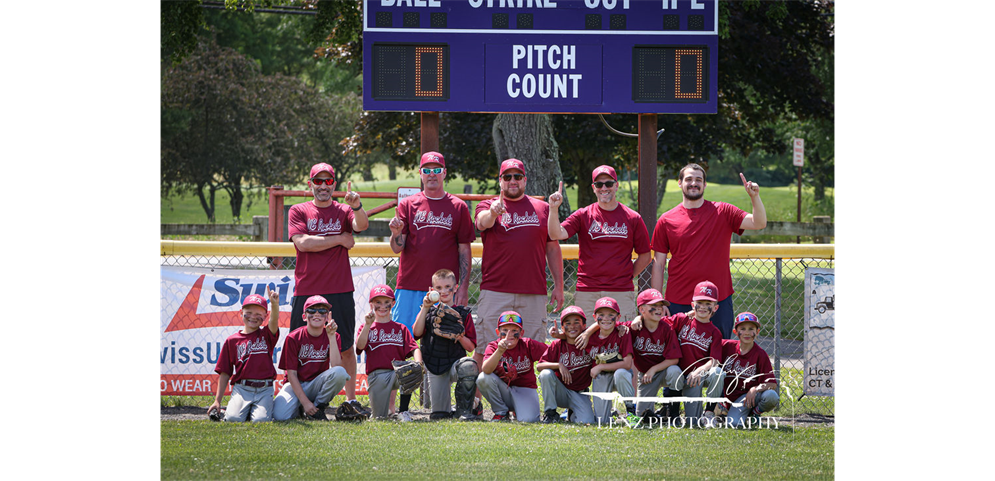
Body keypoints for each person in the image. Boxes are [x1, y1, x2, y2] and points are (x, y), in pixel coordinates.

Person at [388, 151, 475, 417]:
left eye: (437, 169)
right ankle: (395, 408)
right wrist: (394, 233)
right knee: (401, 343)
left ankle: (461, 404)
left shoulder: (458, 206)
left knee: (445, 342)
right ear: (420, 174)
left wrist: (461, 287)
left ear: (445, 173)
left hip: (445, 292)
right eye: (427, 169)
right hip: (410, 285)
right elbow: (396, 248)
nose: (432, 174)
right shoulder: (409, 204)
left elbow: (464, 250)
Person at [287, 162, 369, 413]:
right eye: (318, 181)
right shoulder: (299, 210)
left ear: (334, 183)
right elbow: (303, 243)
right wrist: (340, 240)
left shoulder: (344, 209)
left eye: (328, 181)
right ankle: (301, 401)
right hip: (308, 289)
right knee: (302, 346)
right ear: (310, 183)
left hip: (339, 288)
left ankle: (351, 400)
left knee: (344, 347)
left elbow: (362, 226)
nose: (323, 186)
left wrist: (357, 206)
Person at [650, 164, 767, 339]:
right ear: (680, 183)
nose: (693, 183)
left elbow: (758, 223)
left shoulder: (723, 211)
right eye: (688, 179)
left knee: (718, 355)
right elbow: (658, 264)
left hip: (717, 300)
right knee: (678, 356)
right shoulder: (666, 220)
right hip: (679, 299)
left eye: (698, 179)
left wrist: (754, 197)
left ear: (705, 185)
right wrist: (658, 302)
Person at [474, 159, 564, 369]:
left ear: (525, 180)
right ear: (500, 181)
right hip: (496, 290)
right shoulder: (488, 205)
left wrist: (558, 286)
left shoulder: (542, 208)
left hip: (533, 291)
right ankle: (475, 401)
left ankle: (525, 395)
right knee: (484, 348)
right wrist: (494, 213)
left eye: (517, 177)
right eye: (507, 177)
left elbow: (552, 248)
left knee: (532, 349)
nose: (512, 181)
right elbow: (482, 222)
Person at [547, 165, 651, 323]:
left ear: (616, 185)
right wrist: (553, 209)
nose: (604, 188)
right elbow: (556, 234)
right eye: (599, 184)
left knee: (621, 338)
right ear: (593, 188)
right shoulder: (583, 214)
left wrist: (626, 275)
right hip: (588, 291)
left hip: (621, 291)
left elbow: (645, 255)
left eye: (608, 184)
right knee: (586, 339)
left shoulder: (632, 217)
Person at [412, 269, 480, 420]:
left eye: (448, 287)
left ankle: (466, 410)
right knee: (440, 416)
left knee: (469, 366)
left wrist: (459, 335)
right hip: (435, 365)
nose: (443, 291)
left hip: (455, 364)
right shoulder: (428, 312)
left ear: (455, 288)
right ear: (432, 290)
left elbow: (470, 348)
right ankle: (454, 407)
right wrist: (425, 307)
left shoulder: (463, 314)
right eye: (439, 288)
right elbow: (416, 333)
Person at [273, 295, 351, 421]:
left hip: (317, 384)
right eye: (312, 310)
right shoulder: (293, 338)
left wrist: (331, 337)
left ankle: (317, 408)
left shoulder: (334, 336)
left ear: (327, 316)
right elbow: (291, 374)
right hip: (296, 385)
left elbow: (337, 367)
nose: (317, 314)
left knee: (341, 373)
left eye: (322, 311)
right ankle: (301, 408)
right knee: (280, 416)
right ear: (304, 316)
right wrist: (305, 402)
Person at [209, 289, 281, 422]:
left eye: (258, 314)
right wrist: (217, 401)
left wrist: (274, 305)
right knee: (232, 419)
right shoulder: (232, 340)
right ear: (241, 313)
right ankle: (235, 410)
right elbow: (225, 373)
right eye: (248, 313)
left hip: (265, 389)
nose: (253, 317)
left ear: (266, 316)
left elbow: (274, 321)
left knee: (260, 421)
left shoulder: (266, 335)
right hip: (242, 389)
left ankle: (250, 410)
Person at [614, 288, 685, 421]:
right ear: (642, 310)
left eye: (660, 306)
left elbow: (674, 359)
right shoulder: (634, 328)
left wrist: (653, 369)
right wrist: (587, 333)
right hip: (646, 377)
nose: (659, 309)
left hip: (663, 371)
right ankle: (659, 416)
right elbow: (609, 325)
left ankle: (674, 413)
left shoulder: (667, 328)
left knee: (675, 371)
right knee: (643, 415)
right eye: (654, 306)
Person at [355, 284, 423, 421]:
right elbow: (359, 347)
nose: (382, 306)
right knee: (380, 417)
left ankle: (403, 412)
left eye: (387, 302)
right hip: (377, 376)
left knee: (409, 370)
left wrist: (418, 364)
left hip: (397, 372)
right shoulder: (366, 327)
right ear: (371, 304)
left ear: (393, 303)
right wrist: (368, 325)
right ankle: (386, 412)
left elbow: (414, 348)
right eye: (378, 302)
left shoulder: (400, 328)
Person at [662, 280, 726, 427]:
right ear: (693, 305)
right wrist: (639, 318)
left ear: (715, 308)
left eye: (708, 304)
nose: (703, 307)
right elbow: (658, 323)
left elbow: (715, 360)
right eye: (700, 302)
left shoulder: (715, 332)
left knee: (718, 372)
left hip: (697, 378)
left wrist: (700, 370)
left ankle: (709, 414)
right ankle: (674, 415)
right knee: (672, 370)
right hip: (679, 373)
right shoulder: (681, 320)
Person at [476, 311, 547, 422]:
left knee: (529, 420)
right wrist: (499, 351)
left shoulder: (528, 344)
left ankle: (518, 410)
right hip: (504, 390)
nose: (509, 334)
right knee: (483, 378)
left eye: (514, 331)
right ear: (497, 332)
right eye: (505, 331)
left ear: (521, 333)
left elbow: (552, 352)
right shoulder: (493, 346)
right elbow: (486, 369)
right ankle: (501, 412)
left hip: (525, 389)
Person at [536, 306, 597, 424]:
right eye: (568, 323)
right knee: (546, 374)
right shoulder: (557, 344)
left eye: (576, 322)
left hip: (580, 392)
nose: (572, 326)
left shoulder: (590, 341)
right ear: (562, 327)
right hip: (561, 391)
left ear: (584, 326)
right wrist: (559, 365)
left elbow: (602, 325)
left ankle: (572, 412)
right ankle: (551, 413)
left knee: (586, 421)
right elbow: (539, 366)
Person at [579, 297, 634, 425]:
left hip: (618, 374)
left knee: (622, 374)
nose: (606, 318)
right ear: (594, 316)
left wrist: (600, 367)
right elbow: (570, 335)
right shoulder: (588, 335)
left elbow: (627, 364)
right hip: (601, 377)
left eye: (611, 315)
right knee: (602, 421)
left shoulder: (623, 332)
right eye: (601, 315)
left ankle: (631, 411)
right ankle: (611, 414)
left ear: (618, 317)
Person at [720, 312, 779, 427]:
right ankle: (723, 409)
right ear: (735, 332)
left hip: (749, 397)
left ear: (757, 332)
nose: (747, 332)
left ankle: (755, 414)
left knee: (772, 396)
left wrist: (755, 389)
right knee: (734, 424)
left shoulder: (760, 354)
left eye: (751, 329)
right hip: (729, 398)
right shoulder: (726, 346)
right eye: (742, 328)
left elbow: (772, 384)